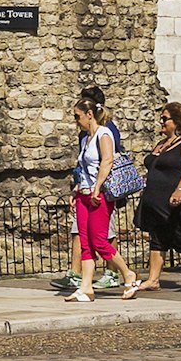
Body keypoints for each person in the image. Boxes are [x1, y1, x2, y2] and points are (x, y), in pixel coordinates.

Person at [62, 86, 132, 304]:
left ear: (89, 114)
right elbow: (82, 168)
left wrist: (97, 188)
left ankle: (128, 274)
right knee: (85, 243)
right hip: (84, 194)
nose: (76, 121)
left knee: (99, 241)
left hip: (98, 195)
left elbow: (107, 161)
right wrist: (76, 190)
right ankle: (86, 287)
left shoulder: (104, 133)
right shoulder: (85, 139)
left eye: (78, 116)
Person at [138, 100, 181, 291]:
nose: (161, 122)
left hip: (171, 200)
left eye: (165, 119)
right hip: (153, 199)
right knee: (157, 238)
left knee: (177, 238)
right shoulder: (162, 144)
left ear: (177, 121)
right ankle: (153, 279)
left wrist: (179, 190)